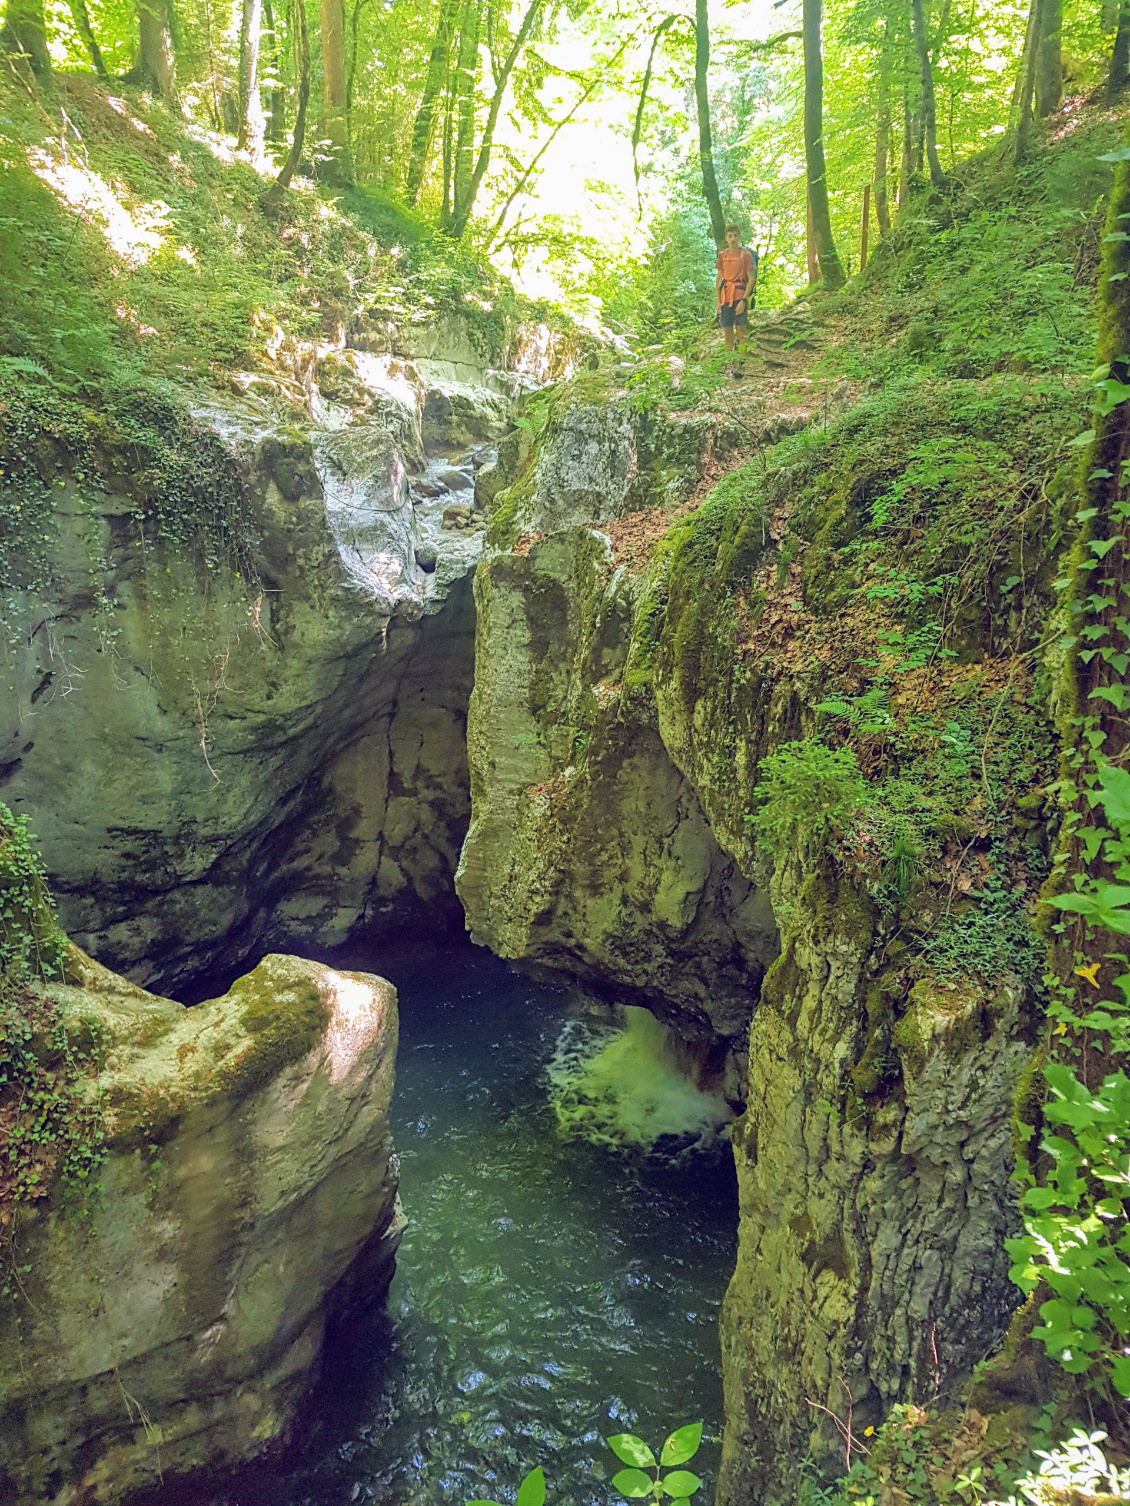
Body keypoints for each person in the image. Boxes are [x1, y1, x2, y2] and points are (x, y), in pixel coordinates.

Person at [716, 225, 756, 376]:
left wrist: (744, 300)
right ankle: (729, 366)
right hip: (726, 297)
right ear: (726, 238)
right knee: (727, 331)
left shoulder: (745, 255)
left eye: (735, 236)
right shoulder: (722, 256)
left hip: (739, 296)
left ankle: (741, 365)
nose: (732, 239)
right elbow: (718, 279)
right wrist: (718, 301)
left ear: (739, 237)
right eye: (730, 236)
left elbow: (751, 278)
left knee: (741, 330)